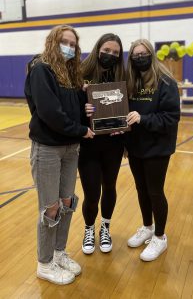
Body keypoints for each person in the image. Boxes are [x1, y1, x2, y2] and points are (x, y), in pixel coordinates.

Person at [24, 24, 94, 285]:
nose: (68, 47)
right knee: (50, 207)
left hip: (71, 148)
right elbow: (50, 112)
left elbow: (73, 107)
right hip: (48, 149)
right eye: (64, 41)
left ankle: (59, 253)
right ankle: (44, 263)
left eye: (73, 44)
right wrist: (81, 129)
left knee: (66, 202)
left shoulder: (70, 73)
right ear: (53, 41)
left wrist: (85, 102)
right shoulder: (41, 69)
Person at [125, 39, 180, 261]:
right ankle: (147, 227)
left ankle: (160, 236)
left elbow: (171, 117)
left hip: (157, 147)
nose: (140, 58)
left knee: (155, 191)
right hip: (135, 146)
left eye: (143, 53)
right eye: (135, 55)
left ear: (151, 54)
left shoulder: (165, 82)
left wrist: (142, 118)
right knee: (141, 190)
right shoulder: (130, 82)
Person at [78, 33, 125, 254]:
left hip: (113, 144)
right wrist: (82, 108)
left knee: (109, 187)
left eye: (115, 52)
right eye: (107, 50)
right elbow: (70, 108)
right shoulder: (81, 74)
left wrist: (123, 124)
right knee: (91, 192)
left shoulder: (121, 75)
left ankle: (105, 227)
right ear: (98, 49)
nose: (110, 55)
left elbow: (128, 106)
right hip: (88, 145)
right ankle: (89, 229)